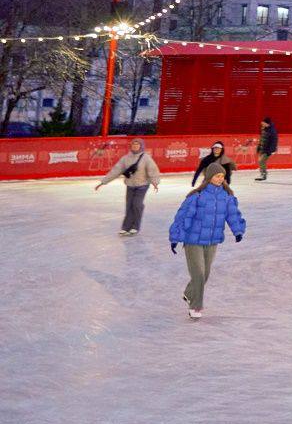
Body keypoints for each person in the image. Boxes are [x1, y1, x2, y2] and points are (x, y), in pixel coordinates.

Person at [169, 163, 246, 319]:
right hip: (193, 241)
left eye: (222, 176)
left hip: (212, 241)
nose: (220, 179)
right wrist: (176, 237)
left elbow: (233, 215)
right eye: (217, 176)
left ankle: (189, 293)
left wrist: (237, 230)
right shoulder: (197, 196)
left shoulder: (227, 196)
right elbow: (183, 217)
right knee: (198, 273)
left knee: (205, 274)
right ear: (210, 177)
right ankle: (195, 306)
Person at [95, 137, 161, 235]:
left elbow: (152, 170)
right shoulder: (126, 158)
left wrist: (155, 182)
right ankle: (126, 227)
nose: (135, 146)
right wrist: (103, 182)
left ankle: (135, 226)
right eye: (133, 144)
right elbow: (116, 170)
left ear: (141, 146)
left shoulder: (146, 158)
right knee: (129, 205)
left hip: (142, 185)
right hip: (130, 185)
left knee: (137, 204)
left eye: (137, 144)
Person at [254, 116, 278, 181]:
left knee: (261, 161)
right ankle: (262, 174)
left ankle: (263, 175)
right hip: (263, 148)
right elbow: (261, 139)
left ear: (267, 123)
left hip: (267, 150)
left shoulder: (272, 131)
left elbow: (274, 141)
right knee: (261, 161)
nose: (262, 124)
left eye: (263, 123)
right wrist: (258, 147)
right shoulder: (264, 129)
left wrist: (270, 150)